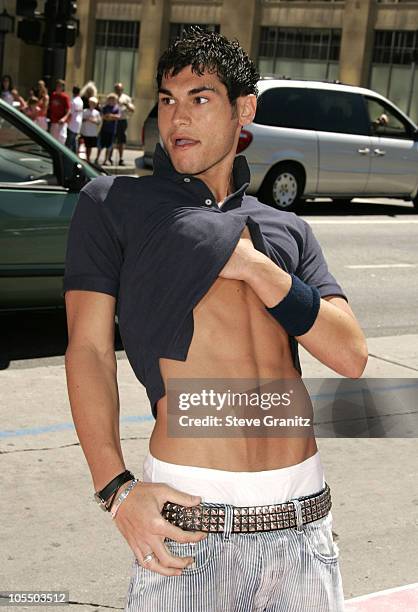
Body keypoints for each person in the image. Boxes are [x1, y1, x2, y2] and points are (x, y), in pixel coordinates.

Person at [63, 29, 368, 612]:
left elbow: (350, 354)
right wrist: (116, 491)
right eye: (169, 99)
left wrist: (256, 269)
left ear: (243, 109)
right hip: (189, 528)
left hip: (304, 525)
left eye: (200, 98)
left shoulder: (286, 228)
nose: (178, 117)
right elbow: (90, 352)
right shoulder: (115, 204)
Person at [95, 92, 120, 166]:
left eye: (113, 99)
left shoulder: (117, 108)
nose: (111, 101)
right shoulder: (105, 108)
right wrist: (109, 117)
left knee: (109, 147)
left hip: (112, 131)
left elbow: (118, 117)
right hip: (103, 130)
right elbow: (102, 116)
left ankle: (106, 160)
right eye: (110, 99)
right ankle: (97, 158)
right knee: (100, 146)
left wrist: (110, 116)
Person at [114, 82, 135, 165]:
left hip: (122, 121)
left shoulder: (126, 98)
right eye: (116, 89)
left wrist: (125, 104)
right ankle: (108, 158)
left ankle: (121, 158)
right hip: (113, 120)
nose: (118, 91)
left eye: (119, 89)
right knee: (112, 140)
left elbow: (132, 109)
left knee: (121, 141)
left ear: (122, 89)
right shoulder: (112, 97)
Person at [49, 79, 71, 145]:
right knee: (52, 141)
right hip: (53, 121)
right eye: (57, 86)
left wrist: (64, 118)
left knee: (61, 140)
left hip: (61, 123)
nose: (58, 87)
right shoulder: (53, 95)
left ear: (62, 88)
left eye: (60, 86)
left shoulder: (65, 97)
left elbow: (68, 111)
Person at [80, 96, 102, 162]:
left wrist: (93, 120)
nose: (92, 104)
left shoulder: (97, 113)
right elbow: (81, 119)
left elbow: (99, 122)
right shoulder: (85, 111)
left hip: (92, 132)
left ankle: (88, 158)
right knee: (83, 145)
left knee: (89, 146)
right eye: (91, 103)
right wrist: (87, 119)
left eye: (93, 103)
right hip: (85, 131)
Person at [66, 86, 84, 153]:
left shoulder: (73, 101)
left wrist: (67, 122)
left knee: (69, 142)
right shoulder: (80, 101)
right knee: (74, 141)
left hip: (72, 123)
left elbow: (71, 113)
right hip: (78, 123)